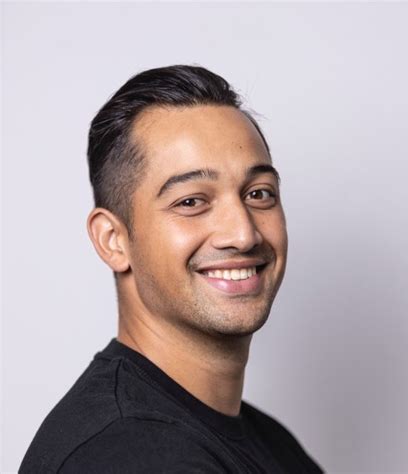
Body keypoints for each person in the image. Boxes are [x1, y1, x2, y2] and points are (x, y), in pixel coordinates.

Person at [20, 65, 324, 473]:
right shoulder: (129, 453)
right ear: (113, 240)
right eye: (191, 201)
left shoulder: (270, 443)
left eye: (258, 193)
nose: (243, 234)